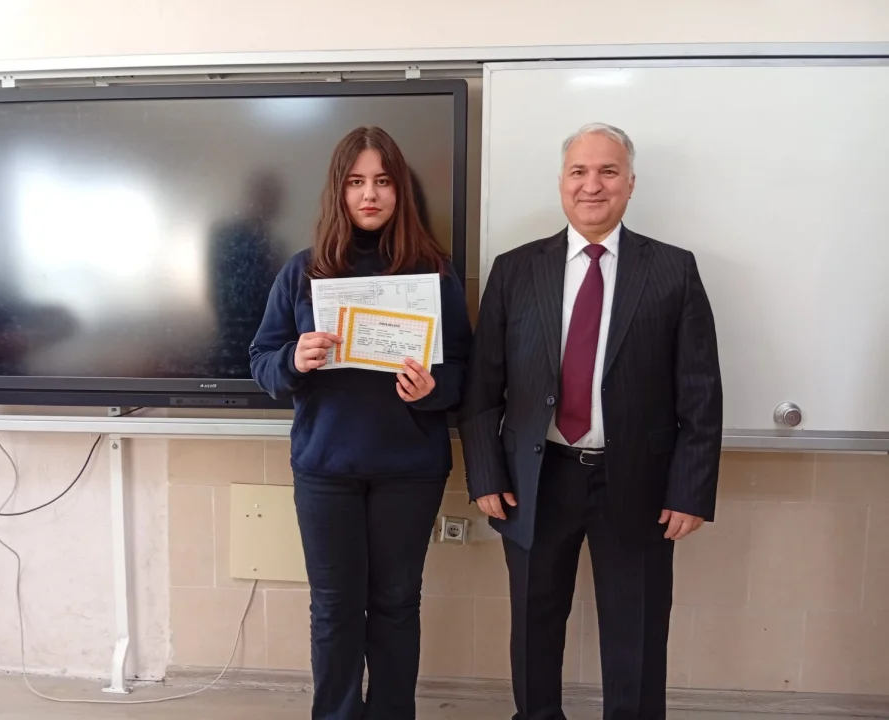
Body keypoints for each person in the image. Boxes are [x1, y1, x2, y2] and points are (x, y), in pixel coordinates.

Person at [459, 123, 722, 720]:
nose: (592, 185)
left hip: (638, 481)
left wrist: (690, 490)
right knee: (534, 626)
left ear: (631, 183)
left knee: (638, 631)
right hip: (536, 479)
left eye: (608, 171)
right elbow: (482, 388)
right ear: (561, 182)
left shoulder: (673, 270)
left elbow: (701, 393)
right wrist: (485, 474)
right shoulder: (515, 270)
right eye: (579, 171)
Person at [249, 126, 472, 720]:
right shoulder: (303, 272)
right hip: (326, 469)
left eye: (381, 181)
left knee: (397, 604)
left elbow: (465, 372)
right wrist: (293, 360)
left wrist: (433, 391)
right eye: (355, 182)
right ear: (338, 191)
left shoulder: (436, 273)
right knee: (334, 608)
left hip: (410, 470)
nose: (369, 194)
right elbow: (262, 361)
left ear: (400, 191)